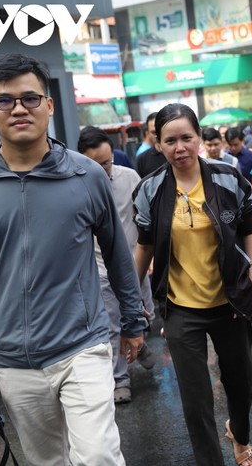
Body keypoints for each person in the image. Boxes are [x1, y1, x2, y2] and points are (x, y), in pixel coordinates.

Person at [0, 52, 147, 465]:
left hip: (83, 345)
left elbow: (116, 253)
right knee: (47, 461)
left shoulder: (86, 175)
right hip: (13, 358)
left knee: (98, 457)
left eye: (30, 98)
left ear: (50, 105)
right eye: (5, 100)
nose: (19, 108)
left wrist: (133, 319)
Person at [133, 103, 252, 466]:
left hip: (230, 302)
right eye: (169, 140)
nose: (179, 147)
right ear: (158, 144)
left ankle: (240, 431)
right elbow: (144, 246)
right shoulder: (150, 190)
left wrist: (251, 282)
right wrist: (131, 296)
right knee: (195, 399)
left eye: (186, 138)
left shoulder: (228, 179)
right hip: (179, 308)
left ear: (199, 138)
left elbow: (249, 233)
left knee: (242, 386)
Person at [78, 126, 157, 405]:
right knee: (112, 325)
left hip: (136, 262)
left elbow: (146, 218)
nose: (105, 168)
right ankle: (120, 380)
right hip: (100, 267)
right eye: (97, 164)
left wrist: (151, 256)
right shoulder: (77, 187)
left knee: (143, 313)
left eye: (108, 161)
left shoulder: (130, 177)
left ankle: (141, 341)